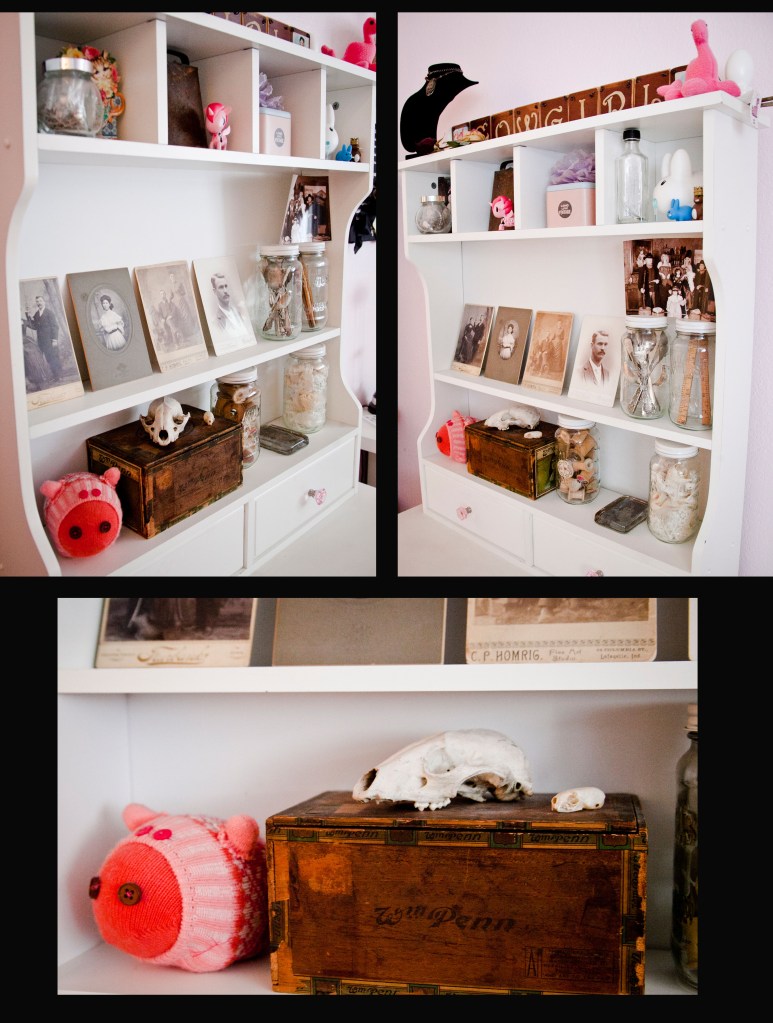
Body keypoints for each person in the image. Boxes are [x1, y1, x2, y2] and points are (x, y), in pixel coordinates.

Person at [25, 292, 62, 378]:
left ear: (44, 302)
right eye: (37, 301)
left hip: (50, 340)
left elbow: (55, 326)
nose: (39, 303)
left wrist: (54, 340)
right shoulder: (37, 314)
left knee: (53, 357)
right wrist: (27, 315)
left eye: (40, 301)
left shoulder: (49, 313)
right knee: (46, 359)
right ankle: (54, 375)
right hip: (41, 341)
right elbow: (33, 326)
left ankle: (59, 376)